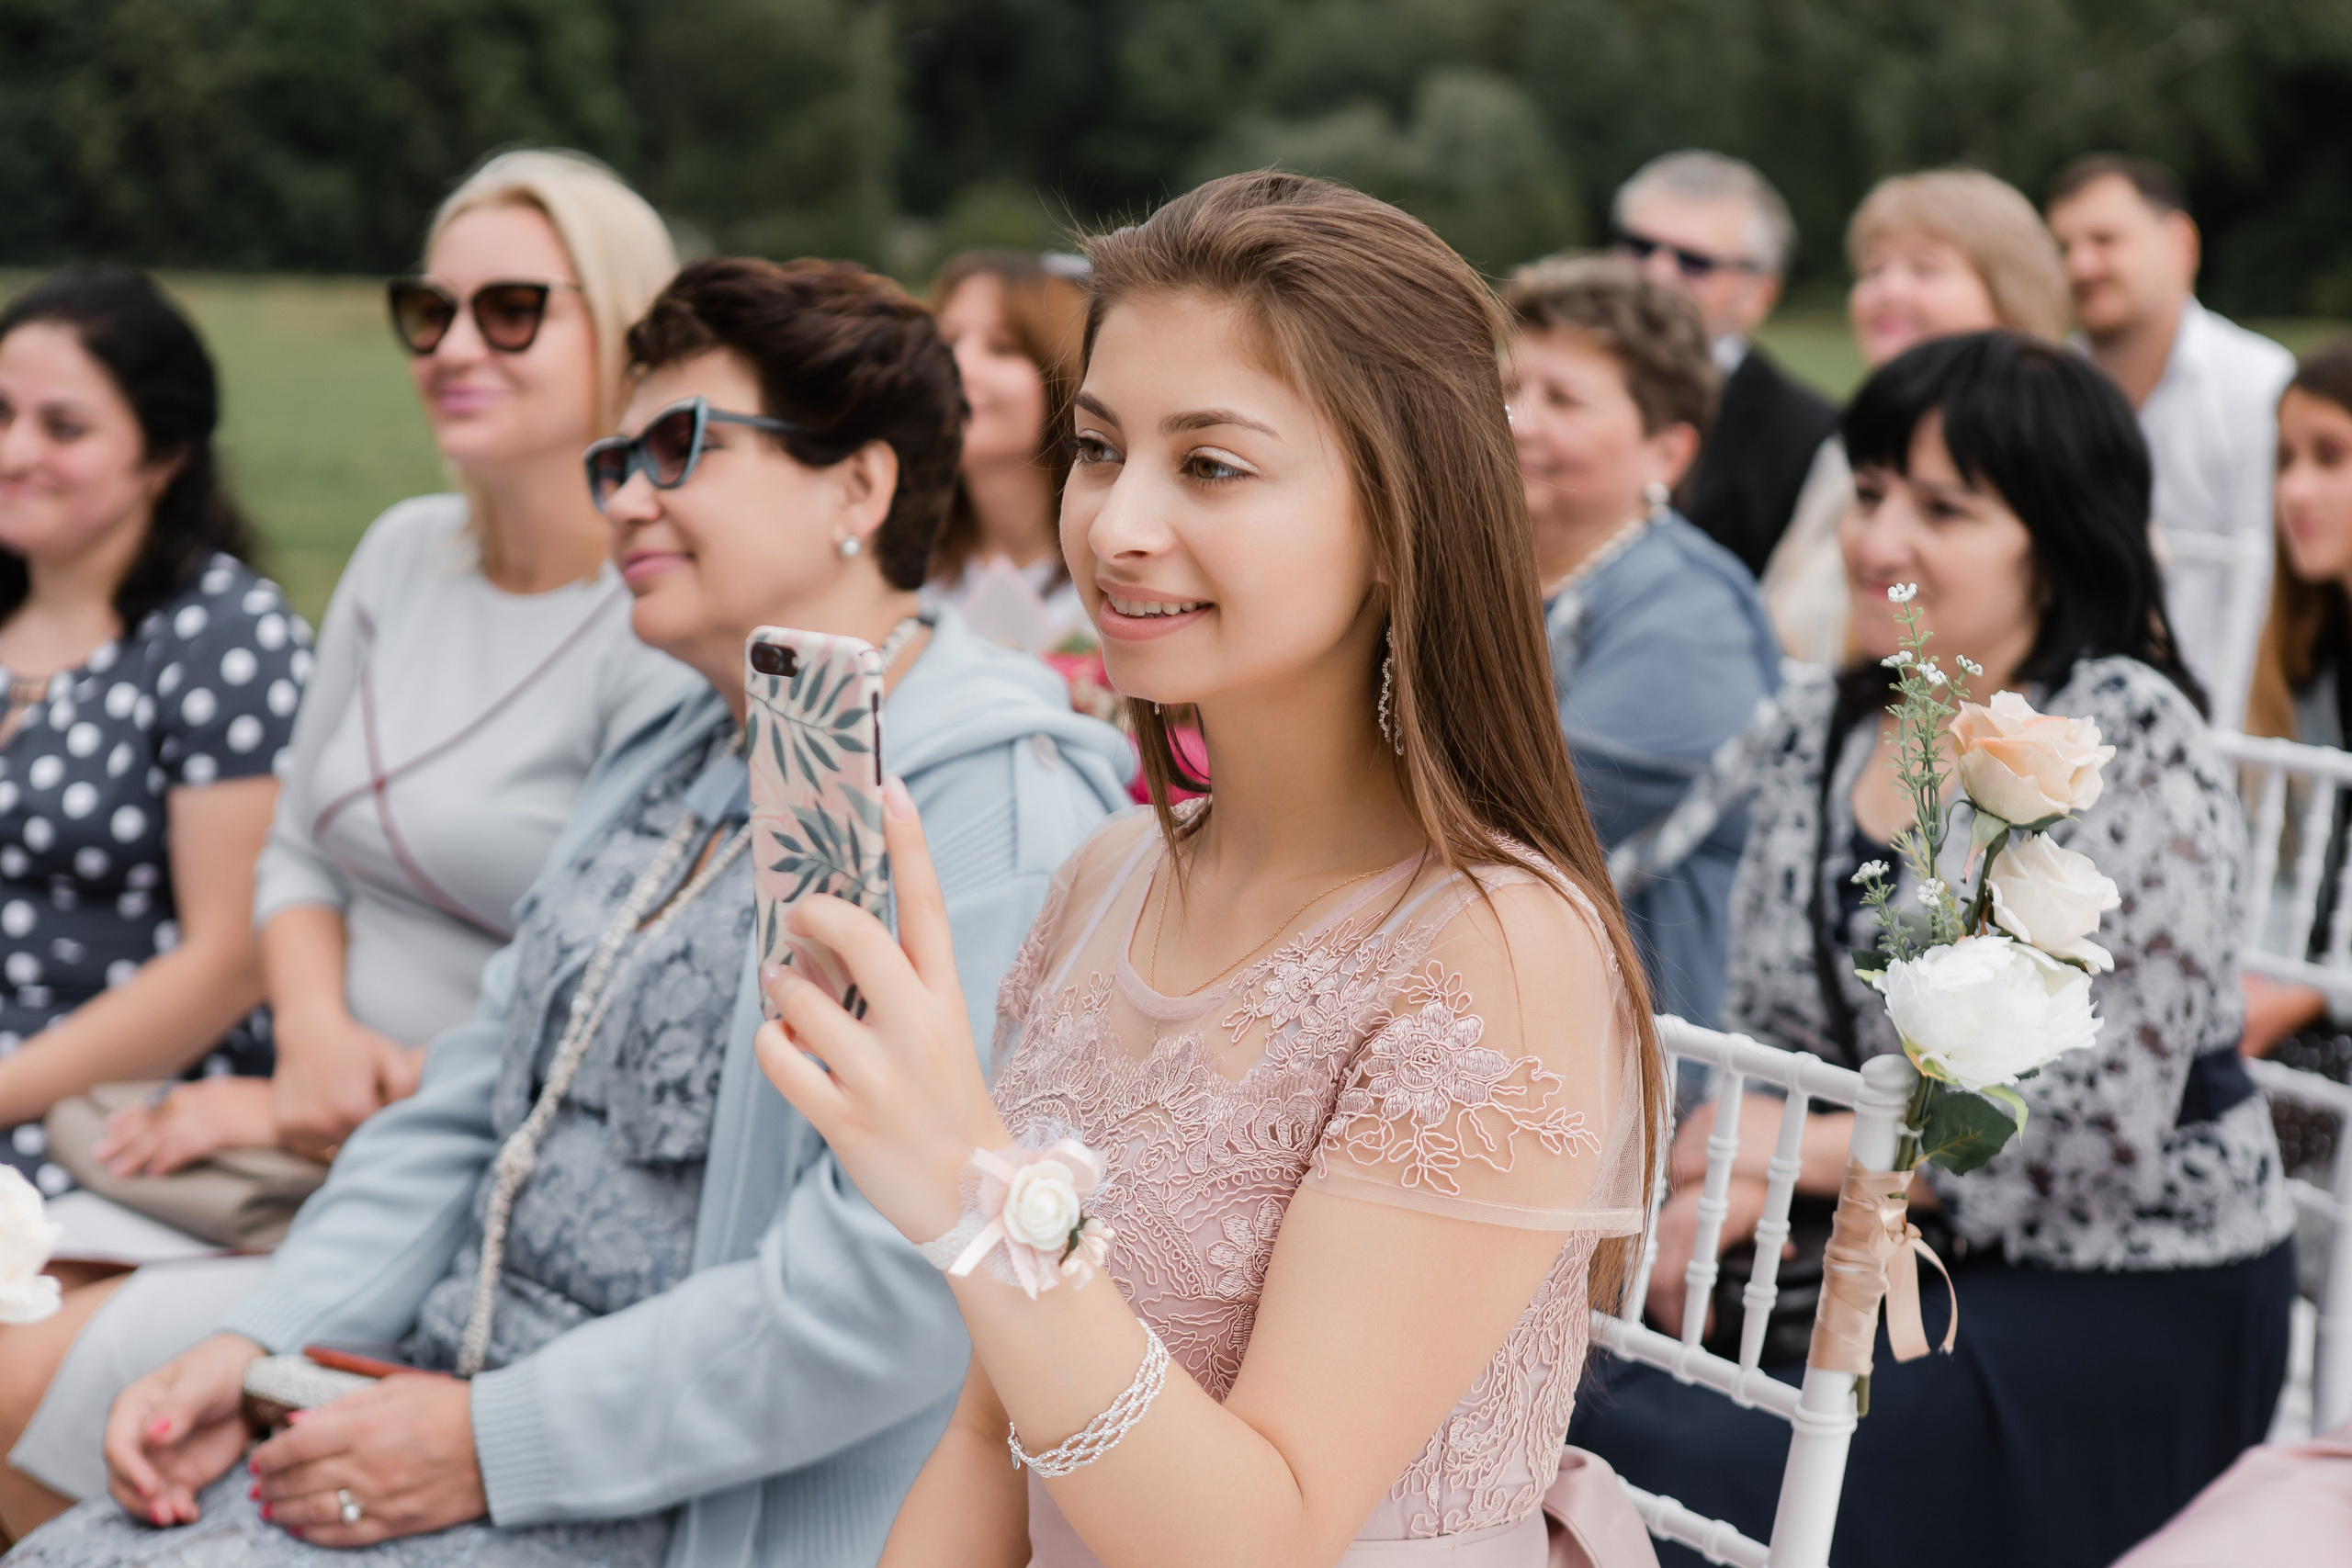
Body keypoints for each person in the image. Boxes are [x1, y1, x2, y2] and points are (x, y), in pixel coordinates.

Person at [8, 256, 1129, 1568]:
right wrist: (264, 1341)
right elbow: (470, 1102)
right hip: (436, 1400)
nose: (628, 497)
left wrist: (488, 1439)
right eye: (616, 459)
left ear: (860, 484)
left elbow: (900, 1288)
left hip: (687, 1500)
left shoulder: (981, 791)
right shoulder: (669, 734)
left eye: (678, 446)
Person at [749, 171, 1661, 1567]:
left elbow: (1262, 1536)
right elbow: (984, 1440)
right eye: (1100, 446)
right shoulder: (1107, 876)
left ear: (1397, 514)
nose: (1116, 526)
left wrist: (969, 1180)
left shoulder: (1501, 949)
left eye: (1211, 464)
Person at [0, 151, 698, 1539]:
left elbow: (614, 989)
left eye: (510, 310)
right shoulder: (400, 557)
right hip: (284, 1136)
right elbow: (302, 853)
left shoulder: (656, 615)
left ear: (624, 334)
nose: (452, 345)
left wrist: (301, 1096)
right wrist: (308, 1032)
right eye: (425, 312)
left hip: (458, 1168)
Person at [1572, 332, 2296, 1568]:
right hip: (1859, 1244)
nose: (1877, 539)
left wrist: (1767, 1166)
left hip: (2115, 1286)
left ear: (2057, 538)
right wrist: (1730, 1185)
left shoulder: (2126, 739)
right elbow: (1769, 1035)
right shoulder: (1820, 725)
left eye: (1942, 507)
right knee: (1563, 1403)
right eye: (1867, 493)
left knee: (1687, 1467)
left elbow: (2090, 1137)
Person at [0, 265, 311, 1539]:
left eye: (63, 426)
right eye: (1, 412)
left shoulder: (220, 637)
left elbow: (229, 959)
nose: (16, 450)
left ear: (165, 452)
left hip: (102, 1105)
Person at [1500, 255, 1778, 1027]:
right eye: (1507, 389)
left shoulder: (1692, 610)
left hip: (1635, 1035)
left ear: (1668, 454)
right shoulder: (1470, 566)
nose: (1519, 420)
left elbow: (1526, 819)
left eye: (1563, 399)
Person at [1760, 169, 2068, 665]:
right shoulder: (1847, 446)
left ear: (2010, 296)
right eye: (1874, 269)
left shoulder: (2053, 447)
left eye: (1925, 270)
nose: (1888, 291)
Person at [2048, 154, 2296, 728]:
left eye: (2105, 239)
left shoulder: (2257, 385)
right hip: (2059, 726)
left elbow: (2259, 590)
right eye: (2063, 246)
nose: (2081, 264)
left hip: (2218, 725)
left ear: (2181, 243)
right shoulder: (2043, 390)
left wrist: (2218, 748)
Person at [1612, 151, 1837, 579]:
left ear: (1759, 294)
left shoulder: (1808, 437)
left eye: (1694, 262)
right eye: (1639, 247)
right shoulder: (1530, 384)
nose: (1656, 275)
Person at [2240, 340, 2352, 1056]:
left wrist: (2294, 998)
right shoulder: (2308, 658)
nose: (2295, 490)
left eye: (2329, 455)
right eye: (2284, 459)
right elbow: (2286, 879)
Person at [922, 251, 1090, 653]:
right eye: (947, 341)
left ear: (1063, 373)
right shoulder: (896, 565)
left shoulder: (1115, 578)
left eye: (1001, 348)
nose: (959, 365)